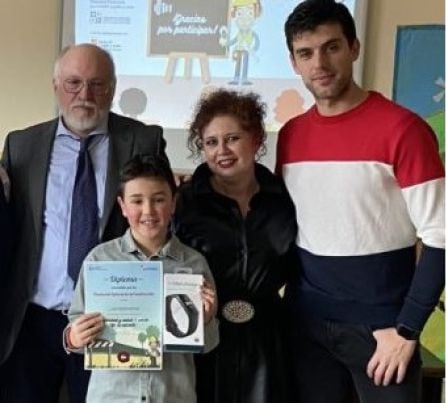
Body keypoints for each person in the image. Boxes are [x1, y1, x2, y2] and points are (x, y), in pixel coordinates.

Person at [276, 1, 445, 402]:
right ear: (294, 62)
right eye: (306, 53)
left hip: (383, 335)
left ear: (354, 47)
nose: (320, 62)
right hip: (307, 329)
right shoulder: (290, 135)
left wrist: (407, 330)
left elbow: (441, 236)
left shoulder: (404, 130)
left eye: (331, 47)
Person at [0, 43, 166, 403]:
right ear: (56, 86)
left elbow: (162, 221)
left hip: (114, 318)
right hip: (34, 319)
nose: (85, 95)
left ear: (113, 88)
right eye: (74, 83)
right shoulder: (20, 146)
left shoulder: (143, 141)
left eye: (97, 84)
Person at [173, 89, 297, 403]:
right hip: (204, 336)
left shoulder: (284, 198)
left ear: (255, 138)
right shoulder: (185, 203)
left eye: (232, 138)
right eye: (211, 142)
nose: (221, 151)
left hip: (269, 343)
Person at [66, 154, 219, 403]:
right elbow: (76, 327)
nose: (148, 210)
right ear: (122, 206)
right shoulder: (100, 260)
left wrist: (208, 319)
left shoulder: (194, 264)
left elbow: (207, 346)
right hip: (112, 396)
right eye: (137, 201)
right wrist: (74, 338)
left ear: (173, 203)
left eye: (159, 199)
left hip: (173, 396)